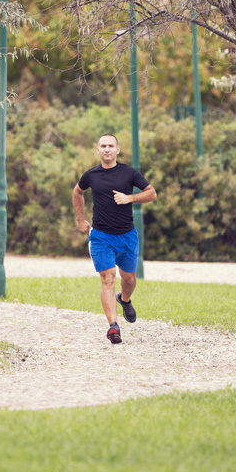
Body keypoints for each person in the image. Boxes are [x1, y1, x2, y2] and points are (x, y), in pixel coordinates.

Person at [73, 133, 157, 344]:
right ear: (98, 150)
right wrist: (80, 220)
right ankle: (113, 327)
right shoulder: (91, 175)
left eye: (111, 145)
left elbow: (151, 193)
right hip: (101, 236)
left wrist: (130, 198)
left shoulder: (129, 173)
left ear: (118, 150)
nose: (107, 149)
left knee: (128, 279)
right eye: (103, 146)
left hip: (127, 236)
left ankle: (124, 299)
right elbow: (78, 192)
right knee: (108, 278)